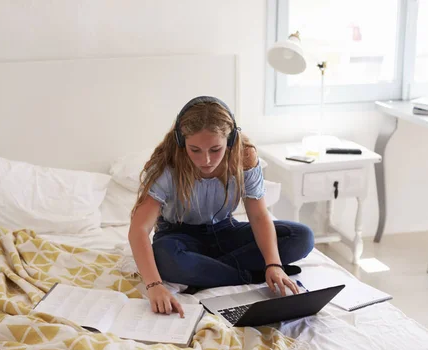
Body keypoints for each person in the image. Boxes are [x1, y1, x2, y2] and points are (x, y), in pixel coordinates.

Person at [128, 96, 314, 317]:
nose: (206, 159)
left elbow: (258, 215)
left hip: (226, 231)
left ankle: (206, 272)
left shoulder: (245, 155)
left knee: (301, 236)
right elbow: (139, 229)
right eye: (195, 149)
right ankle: (248, 274)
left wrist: (273, 264)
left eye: (215, 149)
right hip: (178, 235)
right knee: (167, 259)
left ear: (231, 139)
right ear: (181, 140)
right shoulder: (166, 165)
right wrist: (154, 285)